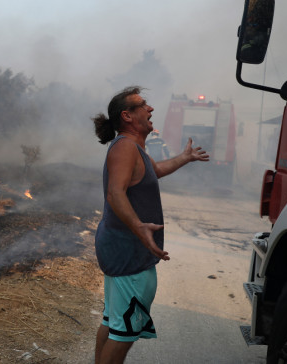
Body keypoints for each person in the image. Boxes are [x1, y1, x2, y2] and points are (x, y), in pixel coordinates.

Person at [91, 86, 209, 364]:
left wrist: (184, 157)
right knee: (125, 331)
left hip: (122, 249)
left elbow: (153, 171)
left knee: (113, 320)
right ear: (127, 116)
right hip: (127, 251)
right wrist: (139, 227)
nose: (150, 108)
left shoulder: (133, 148)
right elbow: (115, 193)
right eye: (143, 105)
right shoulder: (124, 147)